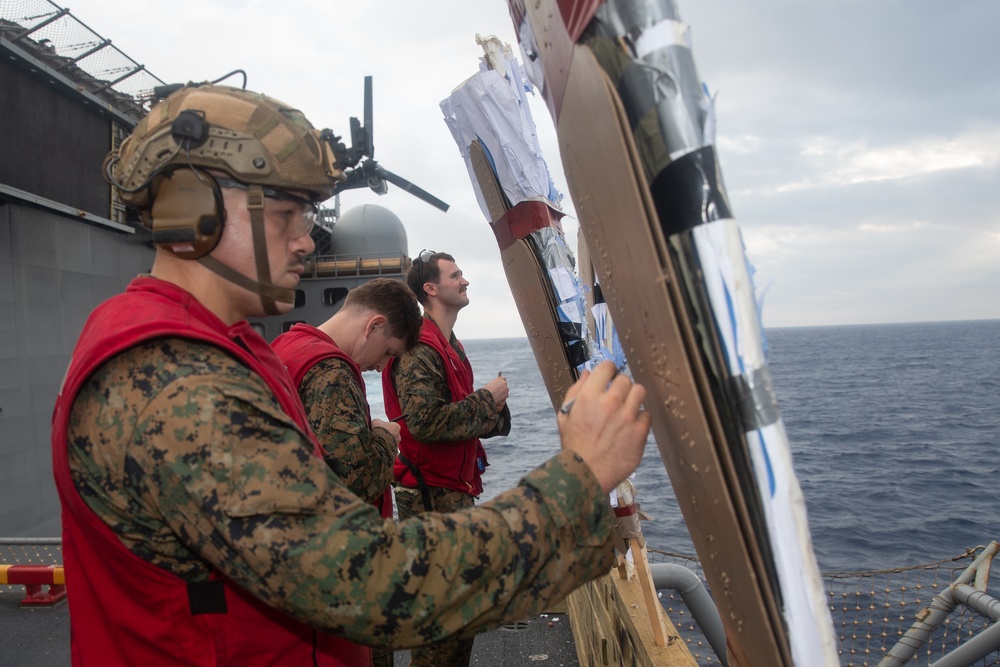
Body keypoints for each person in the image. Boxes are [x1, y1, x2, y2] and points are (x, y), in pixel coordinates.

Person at [51, 82, 651, 667]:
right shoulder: (177, 381)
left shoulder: (219, 348)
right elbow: (367, 584)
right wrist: (579, 479)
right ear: (192, 213)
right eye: (285, 214)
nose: (306, 240)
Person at [271, 278, 421, 667]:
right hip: (343, 568)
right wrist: (387, 437)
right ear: (373, 326)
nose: (379, 367)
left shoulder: (286, 346)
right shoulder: (332, 371)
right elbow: (352, 479)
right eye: (387, 352)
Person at [381, 250, 511, 666]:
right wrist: (486, 401)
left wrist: (492, 414)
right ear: (431, 289)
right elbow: (425, 423)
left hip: (449, 487)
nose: (465, 280)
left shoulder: (448, 343)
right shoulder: (421, 347)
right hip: (431, 492)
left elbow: (453, 414)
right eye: (456, 275)